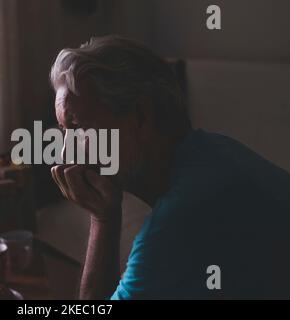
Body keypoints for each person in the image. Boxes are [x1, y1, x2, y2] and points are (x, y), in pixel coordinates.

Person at [49, 35, 290, 299]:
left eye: (78, 127)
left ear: (141, 117)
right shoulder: (218, 150)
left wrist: (102, 218)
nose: (64, 152)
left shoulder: (177, 221)